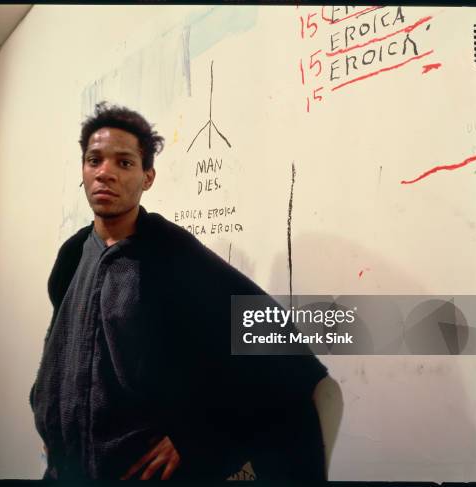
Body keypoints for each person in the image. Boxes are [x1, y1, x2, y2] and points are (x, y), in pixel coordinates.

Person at [30, 102, 330, 482]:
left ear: (147, 177)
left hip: (135, 472)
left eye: (124, 163)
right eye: (94, 160)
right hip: (65, 468)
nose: (105, 173)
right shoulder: (73, 254)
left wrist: (199, 433)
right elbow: (61, 347)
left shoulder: (170, 253)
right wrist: (51, 414)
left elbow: (275, 343)